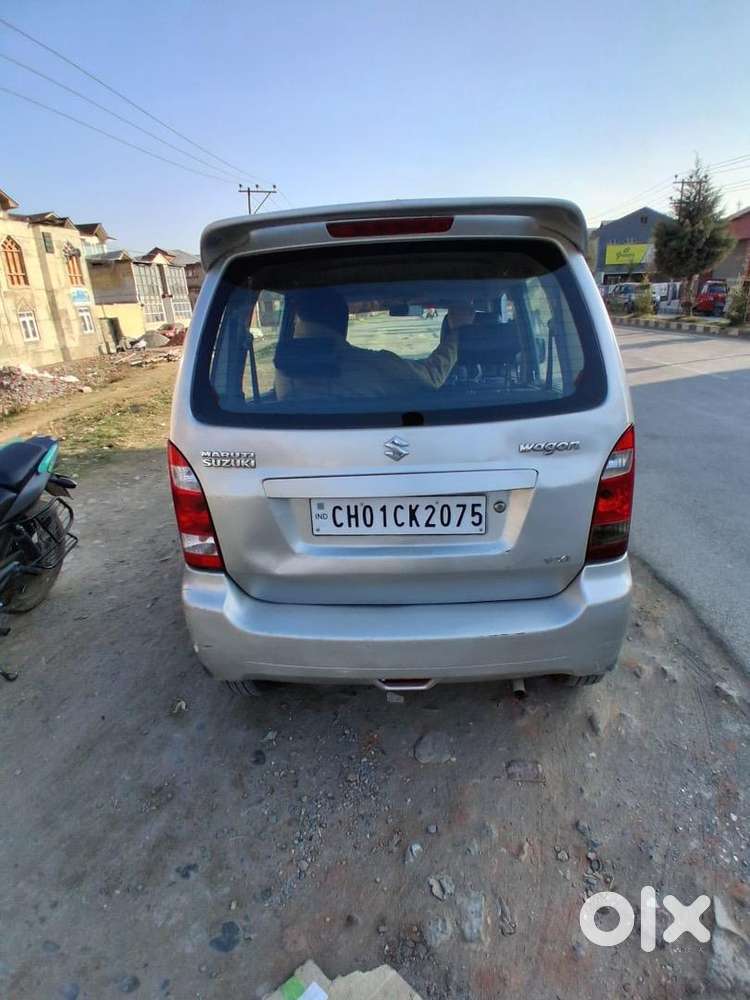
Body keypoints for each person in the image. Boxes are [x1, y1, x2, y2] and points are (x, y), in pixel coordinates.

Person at [274, 289, 466, 401]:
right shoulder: (372, 365)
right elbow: (431, 378)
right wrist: (459, 332)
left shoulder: (284, 368)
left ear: (297, 319)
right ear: (342, 322)